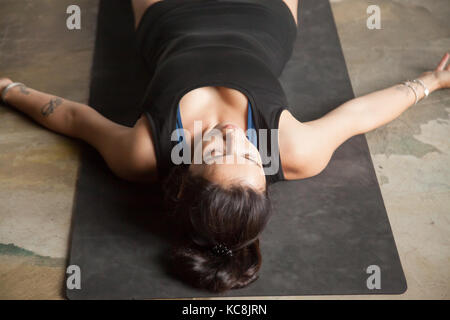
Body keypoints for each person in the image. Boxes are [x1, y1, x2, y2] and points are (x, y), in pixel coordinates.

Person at [0, 0, 449, 292]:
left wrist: (7, 88)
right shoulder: (294, 150)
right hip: (263, 10)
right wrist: (430, 81)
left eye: (214, 152)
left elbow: (77, 119)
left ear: (183, 178)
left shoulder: (143, 153)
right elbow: (356, 116)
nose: (235, 138)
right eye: (251, 154)